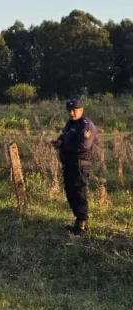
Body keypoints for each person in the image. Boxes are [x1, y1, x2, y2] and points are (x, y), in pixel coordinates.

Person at [51, 98, 97, 235]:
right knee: (70, 193)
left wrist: (62, 145)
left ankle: (82, 224)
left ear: (81, 110)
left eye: (74, 110)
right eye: (69, 110)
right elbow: (64, 137)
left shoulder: (86, 125)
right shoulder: (70, 124)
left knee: (79, 192)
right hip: (68, 164)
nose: (72, 113)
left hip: (79, 165)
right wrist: (58, 141)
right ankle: (77, 221)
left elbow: (83, 146)